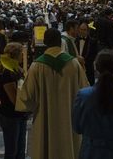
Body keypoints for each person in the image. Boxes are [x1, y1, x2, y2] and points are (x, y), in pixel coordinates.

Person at [16, 28, 89, 159]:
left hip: (44, 117)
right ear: (60, 41)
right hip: (69, 116)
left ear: (44, 41)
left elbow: (27, 95)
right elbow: (84, 91)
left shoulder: (37, 65)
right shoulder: (73, 63)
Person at [0, 42, 27, 159]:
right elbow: (13, 98)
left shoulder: (14, 69)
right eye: (21, 54)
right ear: (16, 55)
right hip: (10, 115)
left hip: (19, 114)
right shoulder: (6, 72)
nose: (23, 57)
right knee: (12, 151)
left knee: (20, 150)